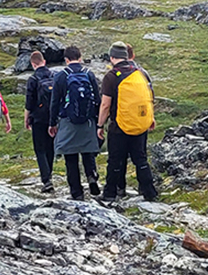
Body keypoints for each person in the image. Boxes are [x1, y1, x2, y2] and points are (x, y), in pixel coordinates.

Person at [98, 41, 159, 203]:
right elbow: (149, 97)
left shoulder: (111, 77)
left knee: (115, 160)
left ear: (112, 57)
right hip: (140, 125)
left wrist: (100, 125)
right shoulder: (141, 73)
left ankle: (111, 193)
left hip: (118, 127)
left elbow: (105, 105)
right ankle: (149, 191)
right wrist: (150, 118)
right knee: (140, 159)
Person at [49, 45, 103, 200]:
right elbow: (97, 100)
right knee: (87, 152)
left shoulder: (60, 76)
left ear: (66, 60)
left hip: (67, 121)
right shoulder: (89, 74)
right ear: (80, 57)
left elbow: (54, 102)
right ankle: (91, 175)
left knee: (70, 157)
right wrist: (99, 122)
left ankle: (76, 192)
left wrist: (52, 123)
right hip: (88, 121)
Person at [24, 50, 56, 192]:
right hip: (52, 117)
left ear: (33, 64)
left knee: (40, 149)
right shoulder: (53, 76)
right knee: (50, 147)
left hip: (38, 118)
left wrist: (27, 118)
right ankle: (49, 173)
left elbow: (29, 102)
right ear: (44, 61)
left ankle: (46, 179)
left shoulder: (33, 79)